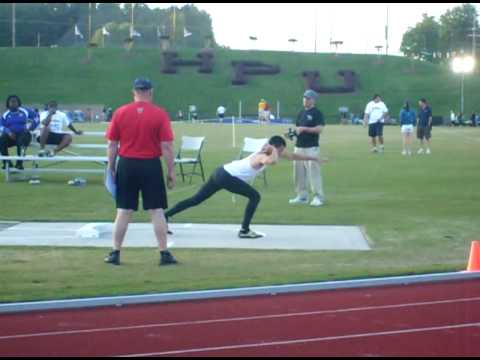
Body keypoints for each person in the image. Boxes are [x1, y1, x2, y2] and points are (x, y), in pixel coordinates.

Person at [165, 136, 322, 239]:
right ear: (276, 147)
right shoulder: (262, 155)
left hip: (221, 172)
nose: (281, 153)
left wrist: (313, 158)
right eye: (280, 149)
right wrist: (274, 150)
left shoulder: (267, 152)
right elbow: (272, 161)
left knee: (196, 200)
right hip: (226, 176)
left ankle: (166, 216)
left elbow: (293, 156)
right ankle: (244, 230)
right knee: (255, 196)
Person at [104, 78, 177, 266]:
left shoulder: (120, 112)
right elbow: (166, 146)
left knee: (124, 210)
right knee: (156, 210)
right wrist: (171, 170)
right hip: (150, 164)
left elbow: (112, 144)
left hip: (127, 164)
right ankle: (164, 252)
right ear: (150, 92)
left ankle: (115, 252)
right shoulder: (159, 114)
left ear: (134, 92)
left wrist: (111, 168)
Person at [289, 89, 326, 207]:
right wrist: (292, 134)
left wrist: (305, 129)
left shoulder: (317, 113)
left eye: (308, 98)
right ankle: (302, 196)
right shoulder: (301, 113)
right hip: (299, 147)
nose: (305, 100)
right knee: (298, 173)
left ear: (313, 100)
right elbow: (298, 129)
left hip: (311, 147)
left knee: (313, 172)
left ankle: (318, 197)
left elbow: (319, 129)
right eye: (304, 98)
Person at [0, 95, 39, 170]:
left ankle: (19, 163)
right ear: (8, 104)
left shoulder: (25, 111)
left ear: (18, 103)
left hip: (24, 135)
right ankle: (7, 163)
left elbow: (37, 117)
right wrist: (8, 132)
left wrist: (31, 127)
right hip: (12, 136)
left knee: (21, 141)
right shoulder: (5, 114)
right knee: (1, 140)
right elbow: (1, 126)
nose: (13, 103)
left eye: (15, 101)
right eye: (11, 102)